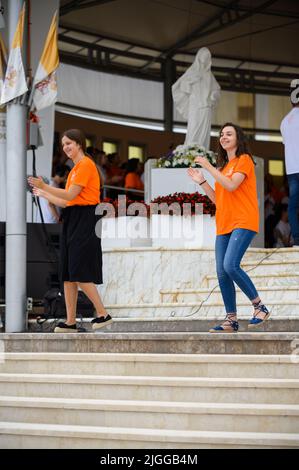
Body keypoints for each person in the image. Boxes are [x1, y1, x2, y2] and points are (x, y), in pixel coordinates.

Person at [188, 122, 270, 332]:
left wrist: (207, 166)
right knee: (222, 272)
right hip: (224, 223)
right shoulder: (222, 168)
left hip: (243, 220)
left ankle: (259, 306)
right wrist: (202, 181)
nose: (223, 137)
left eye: (229, 134)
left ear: (238, 139)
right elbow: (219, 199)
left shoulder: (244, 160)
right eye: (222, 134)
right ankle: (231, 319)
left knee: (230, 265)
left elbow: (232, 185)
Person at [28, 129, 112, 333]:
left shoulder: (85, 165)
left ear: (79, 144)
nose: (66, 147)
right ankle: (71, 321)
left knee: (79, 270)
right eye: (64, 144)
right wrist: (43, 193)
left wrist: (45, 187)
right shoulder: (75, 169)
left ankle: (103, 314)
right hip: (73, 218)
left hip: (85, 219)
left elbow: (70, 193)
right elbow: (67, 202)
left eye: (69, 143)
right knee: (67, 274)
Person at [172, 47, 220, 149]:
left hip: (206, 107)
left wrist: (214, 95)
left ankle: (202, 149)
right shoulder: (192, 71)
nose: (205, 58)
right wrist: (191, 81)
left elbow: (217, 89)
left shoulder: (209, 75)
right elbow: (181, 85)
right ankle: (190, 149)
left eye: (208, 56)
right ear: (199, 56)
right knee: (193, 128)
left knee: (204, 131)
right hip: (195, 105)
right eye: (204, 55)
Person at [280, 90, 299, 246]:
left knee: (293, 206)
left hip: (292, 169)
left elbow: (287, 143)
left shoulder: (284, 121)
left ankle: (297, 239)